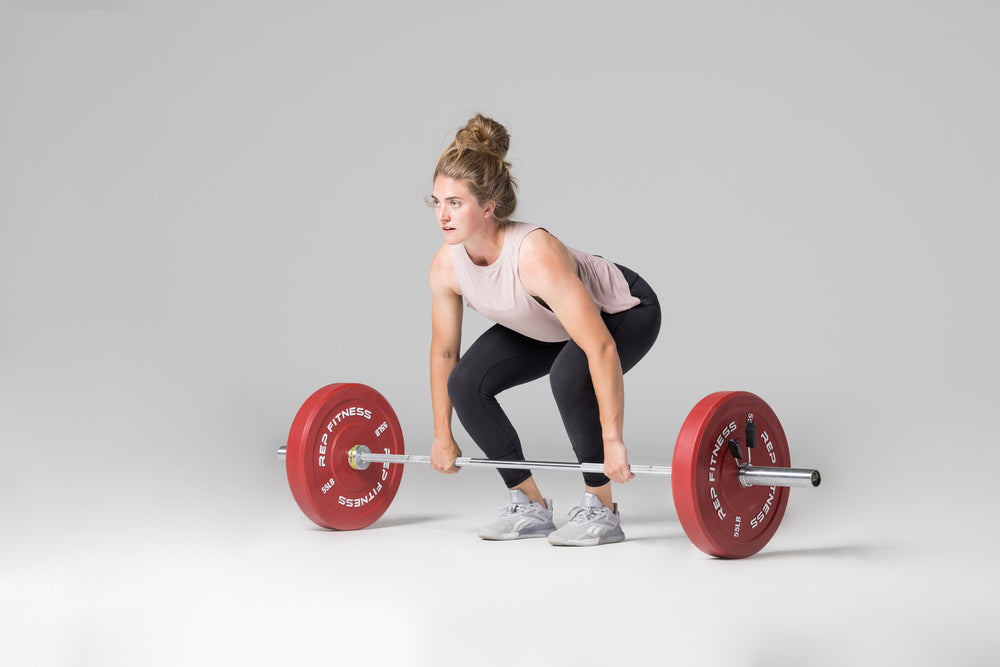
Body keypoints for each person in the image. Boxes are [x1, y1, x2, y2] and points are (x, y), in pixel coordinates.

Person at [427, 114, 661, 546]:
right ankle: (529, 503)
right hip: (547, 321)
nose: (442, 214)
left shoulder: (534, 255)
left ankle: (602, 509)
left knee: (570, 376)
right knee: (464, 383)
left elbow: (602, 349)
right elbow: (445, 354)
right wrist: (443, 434)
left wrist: (613, 441)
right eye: (437, 201)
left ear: (488, 208)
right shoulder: (446, 265)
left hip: (624, 310)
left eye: (455, 203)